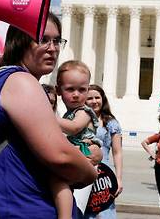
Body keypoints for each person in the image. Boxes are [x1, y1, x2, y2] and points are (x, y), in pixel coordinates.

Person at [0, 16, 99, 219]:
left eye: (57, 40)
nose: (52, 48)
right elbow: (61, 157)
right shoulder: (21, 82)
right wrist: (91, 173)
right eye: (43, 39)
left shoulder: (0, 80)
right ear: (20, 41)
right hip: (22, 209)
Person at [53, 60, 101, 219]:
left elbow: (73, 128)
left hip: (84, 155)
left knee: (60, 185)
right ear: (58, 90)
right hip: (78, 155)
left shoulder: (84, 112)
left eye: (82, 90)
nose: (76, 94)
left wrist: (48, 117)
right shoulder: (69, 113)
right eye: (70, 89)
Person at [84, 84, 124, 219]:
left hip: (104, 176)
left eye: (97, 97)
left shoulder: (111, 123)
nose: (94, 101)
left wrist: (118, 178)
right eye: (90, 98)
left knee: (105, 212)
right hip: (82, 173)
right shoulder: (79, 121)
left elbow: (117, 152)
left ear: (103, 99)